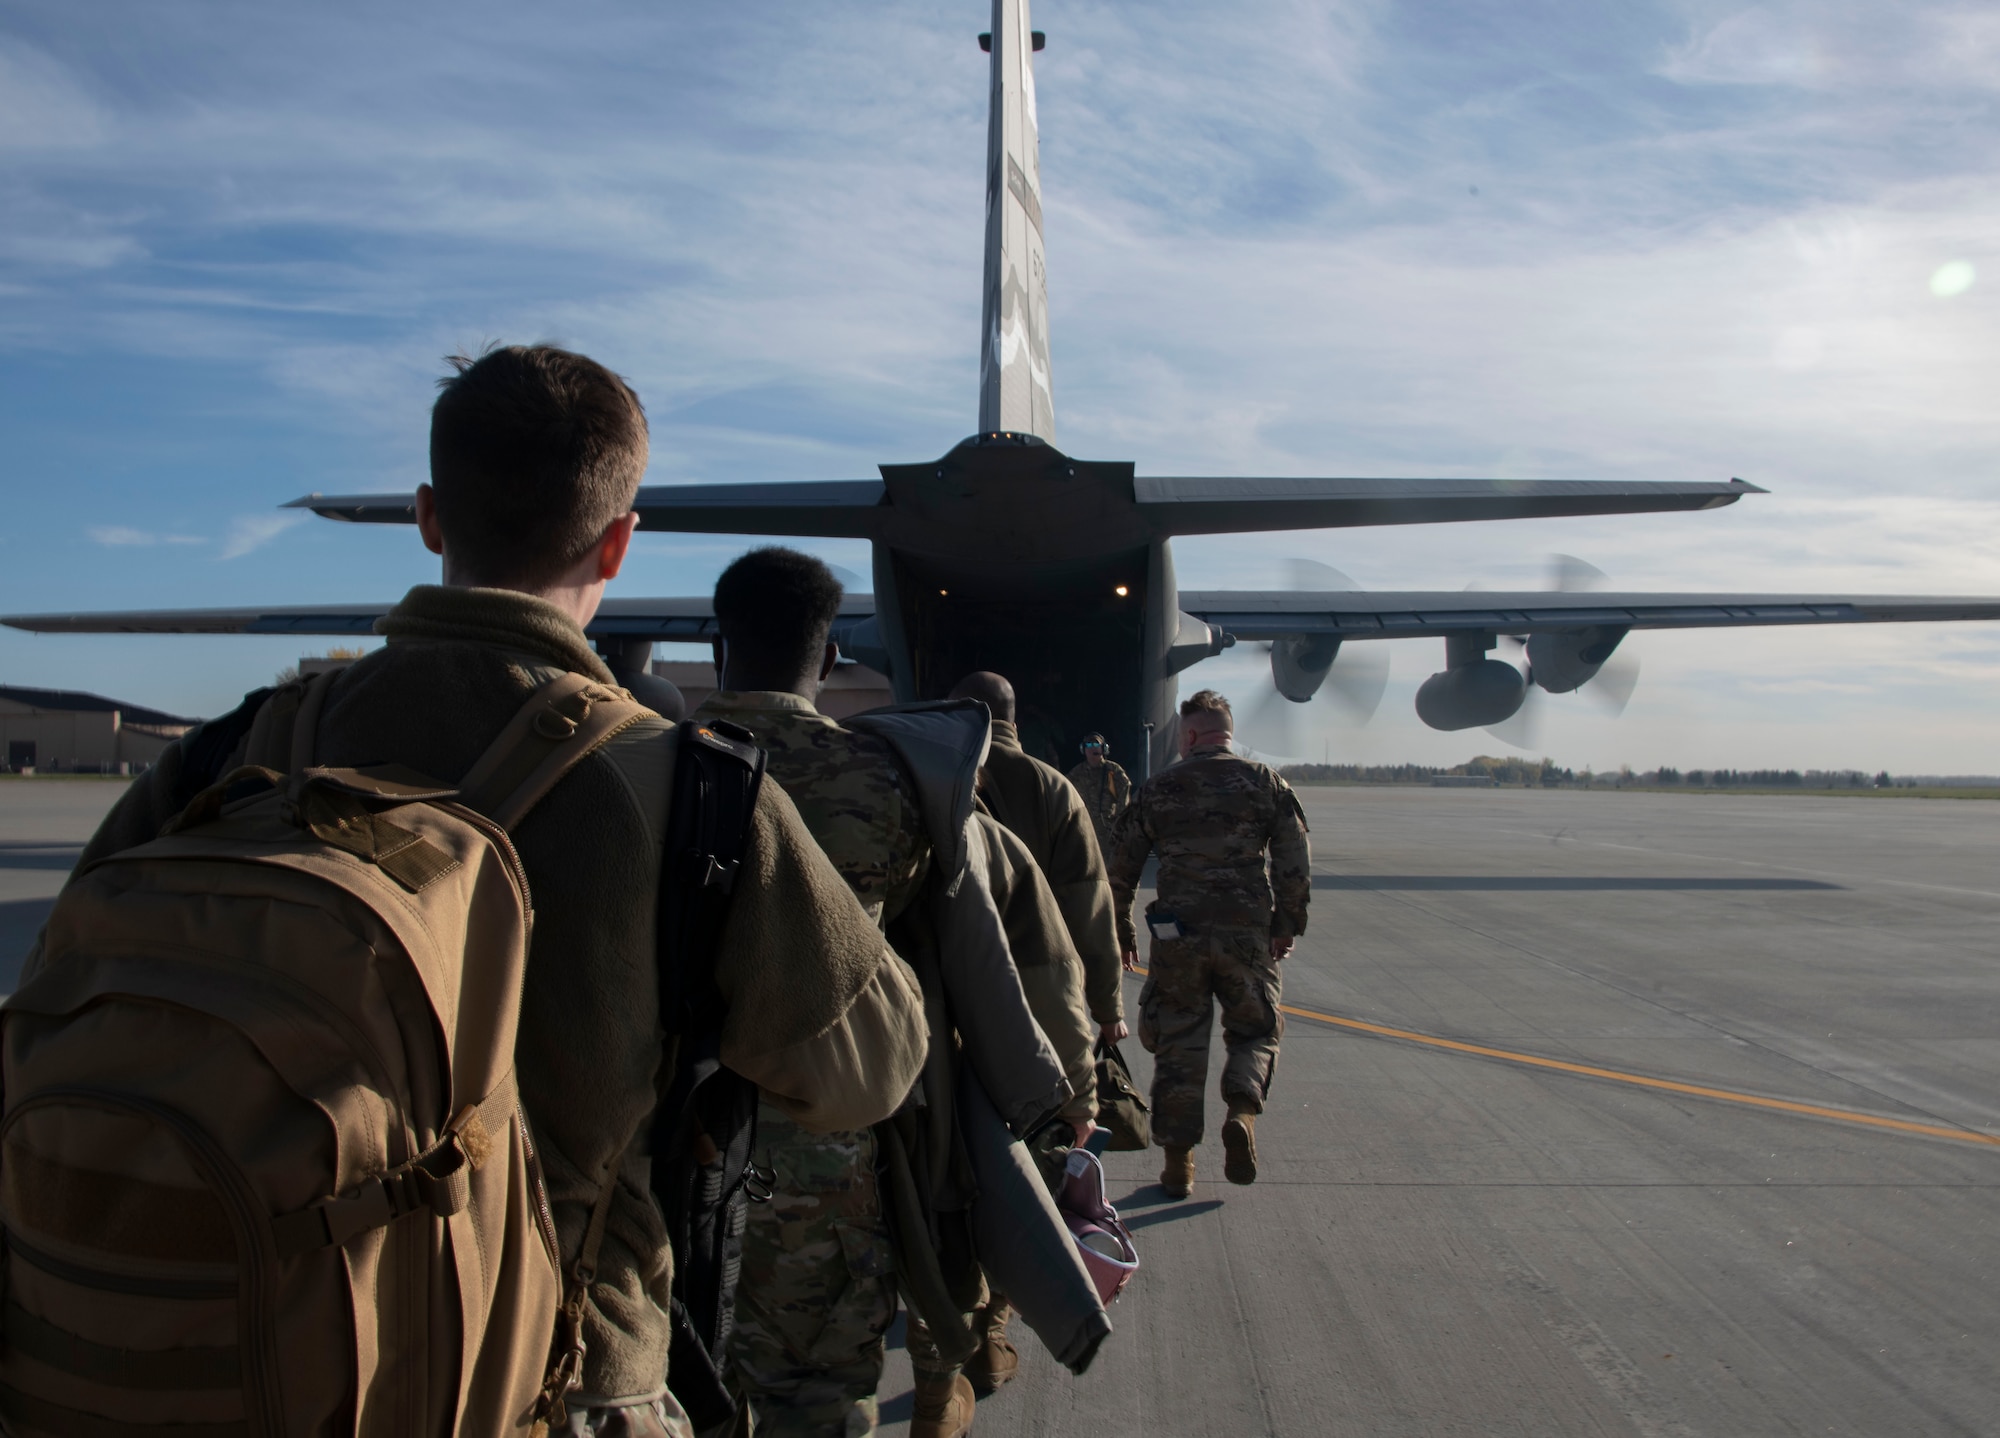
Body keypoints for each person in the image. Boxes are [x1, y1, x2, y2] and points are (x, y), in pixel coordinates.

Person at [65, 346, 928, 1438]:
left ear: (429, 516)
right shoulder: (689, 787)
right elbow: (868, 1066)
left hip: (228, 1349)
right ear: (618, 539)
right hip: (544, 1374)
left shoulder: (240, 745)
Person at [696, 551, 1082, 1438]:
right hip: (819, 1147)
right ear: (829, 661)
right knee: (814, 1396)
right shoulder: (884, 784)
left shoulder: (635, 765)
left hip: (653, 1136)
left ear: (721, 648)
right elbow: (944, 936)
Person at [1103, 689, 1310, 1200]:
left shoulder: (1158, 788)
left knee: (1179, 1042)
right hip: (1246, 933)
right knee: (1256, 1028)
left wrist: (1121, 930)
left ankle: (1179, 1165)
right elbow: (1293, 859)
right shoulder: (1266, 783)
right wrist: (1287, 923)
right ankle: (1241, 1111)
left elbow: (1119, 871)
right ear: (1228, 733)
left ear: (1189, 735)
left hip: (1179, 936)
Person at [949, 674, 1127, 1050]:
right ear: (1014, 726)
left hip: (957, 990)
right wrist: (1108, 1010)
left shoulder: (934, 780)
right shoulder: (1055, 787)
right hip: (1045, 987)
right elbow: (1089, 905)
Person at [1066, 732, 1132, 861]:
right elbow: (1065, 792)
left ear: (1103, 748)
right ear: (1083, 750)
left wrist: (1119, 821)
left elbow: (1124, 792)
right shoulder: (1077, 773)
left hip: (1108, 831)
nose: (1092, 748)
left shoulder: (1112, 771)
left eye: (1096, 744)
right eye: (1089, 745)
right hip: (1085, 829)